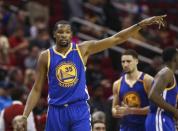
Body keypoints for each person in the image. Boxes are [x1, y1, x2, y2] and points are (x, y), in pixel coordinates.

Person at [14, 15, 166, 131]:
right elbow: (36, 88)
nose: (64, 35)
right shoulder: (45, 56)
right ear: (54, 34)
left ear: (71, 34)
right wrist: (25, 115)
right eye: (60, 32)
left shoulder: (82, 49)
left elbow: (116, 38)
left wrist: (140, 25)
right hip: (56, 110)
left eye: (67, 32)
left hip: (79, 108)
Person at [112, 49, 153, 131]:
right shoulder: (117, 84)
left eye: (128, 61)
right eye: (123, 62)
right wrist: (117, 112)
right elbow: (113, 109)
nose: (125, 64)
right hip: (126, 127)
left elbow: (155, 108)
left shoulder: (148, 80)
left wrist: (130, 110)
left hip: (146, 127)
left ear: (136, 61)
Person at [146, 47, 178, 131]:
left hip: (165, 119)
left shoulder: (168, 73)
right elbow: (153, 96)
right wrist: (174, 111)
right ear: (175, 58)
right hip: (159, 118)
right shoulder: (166, 72)